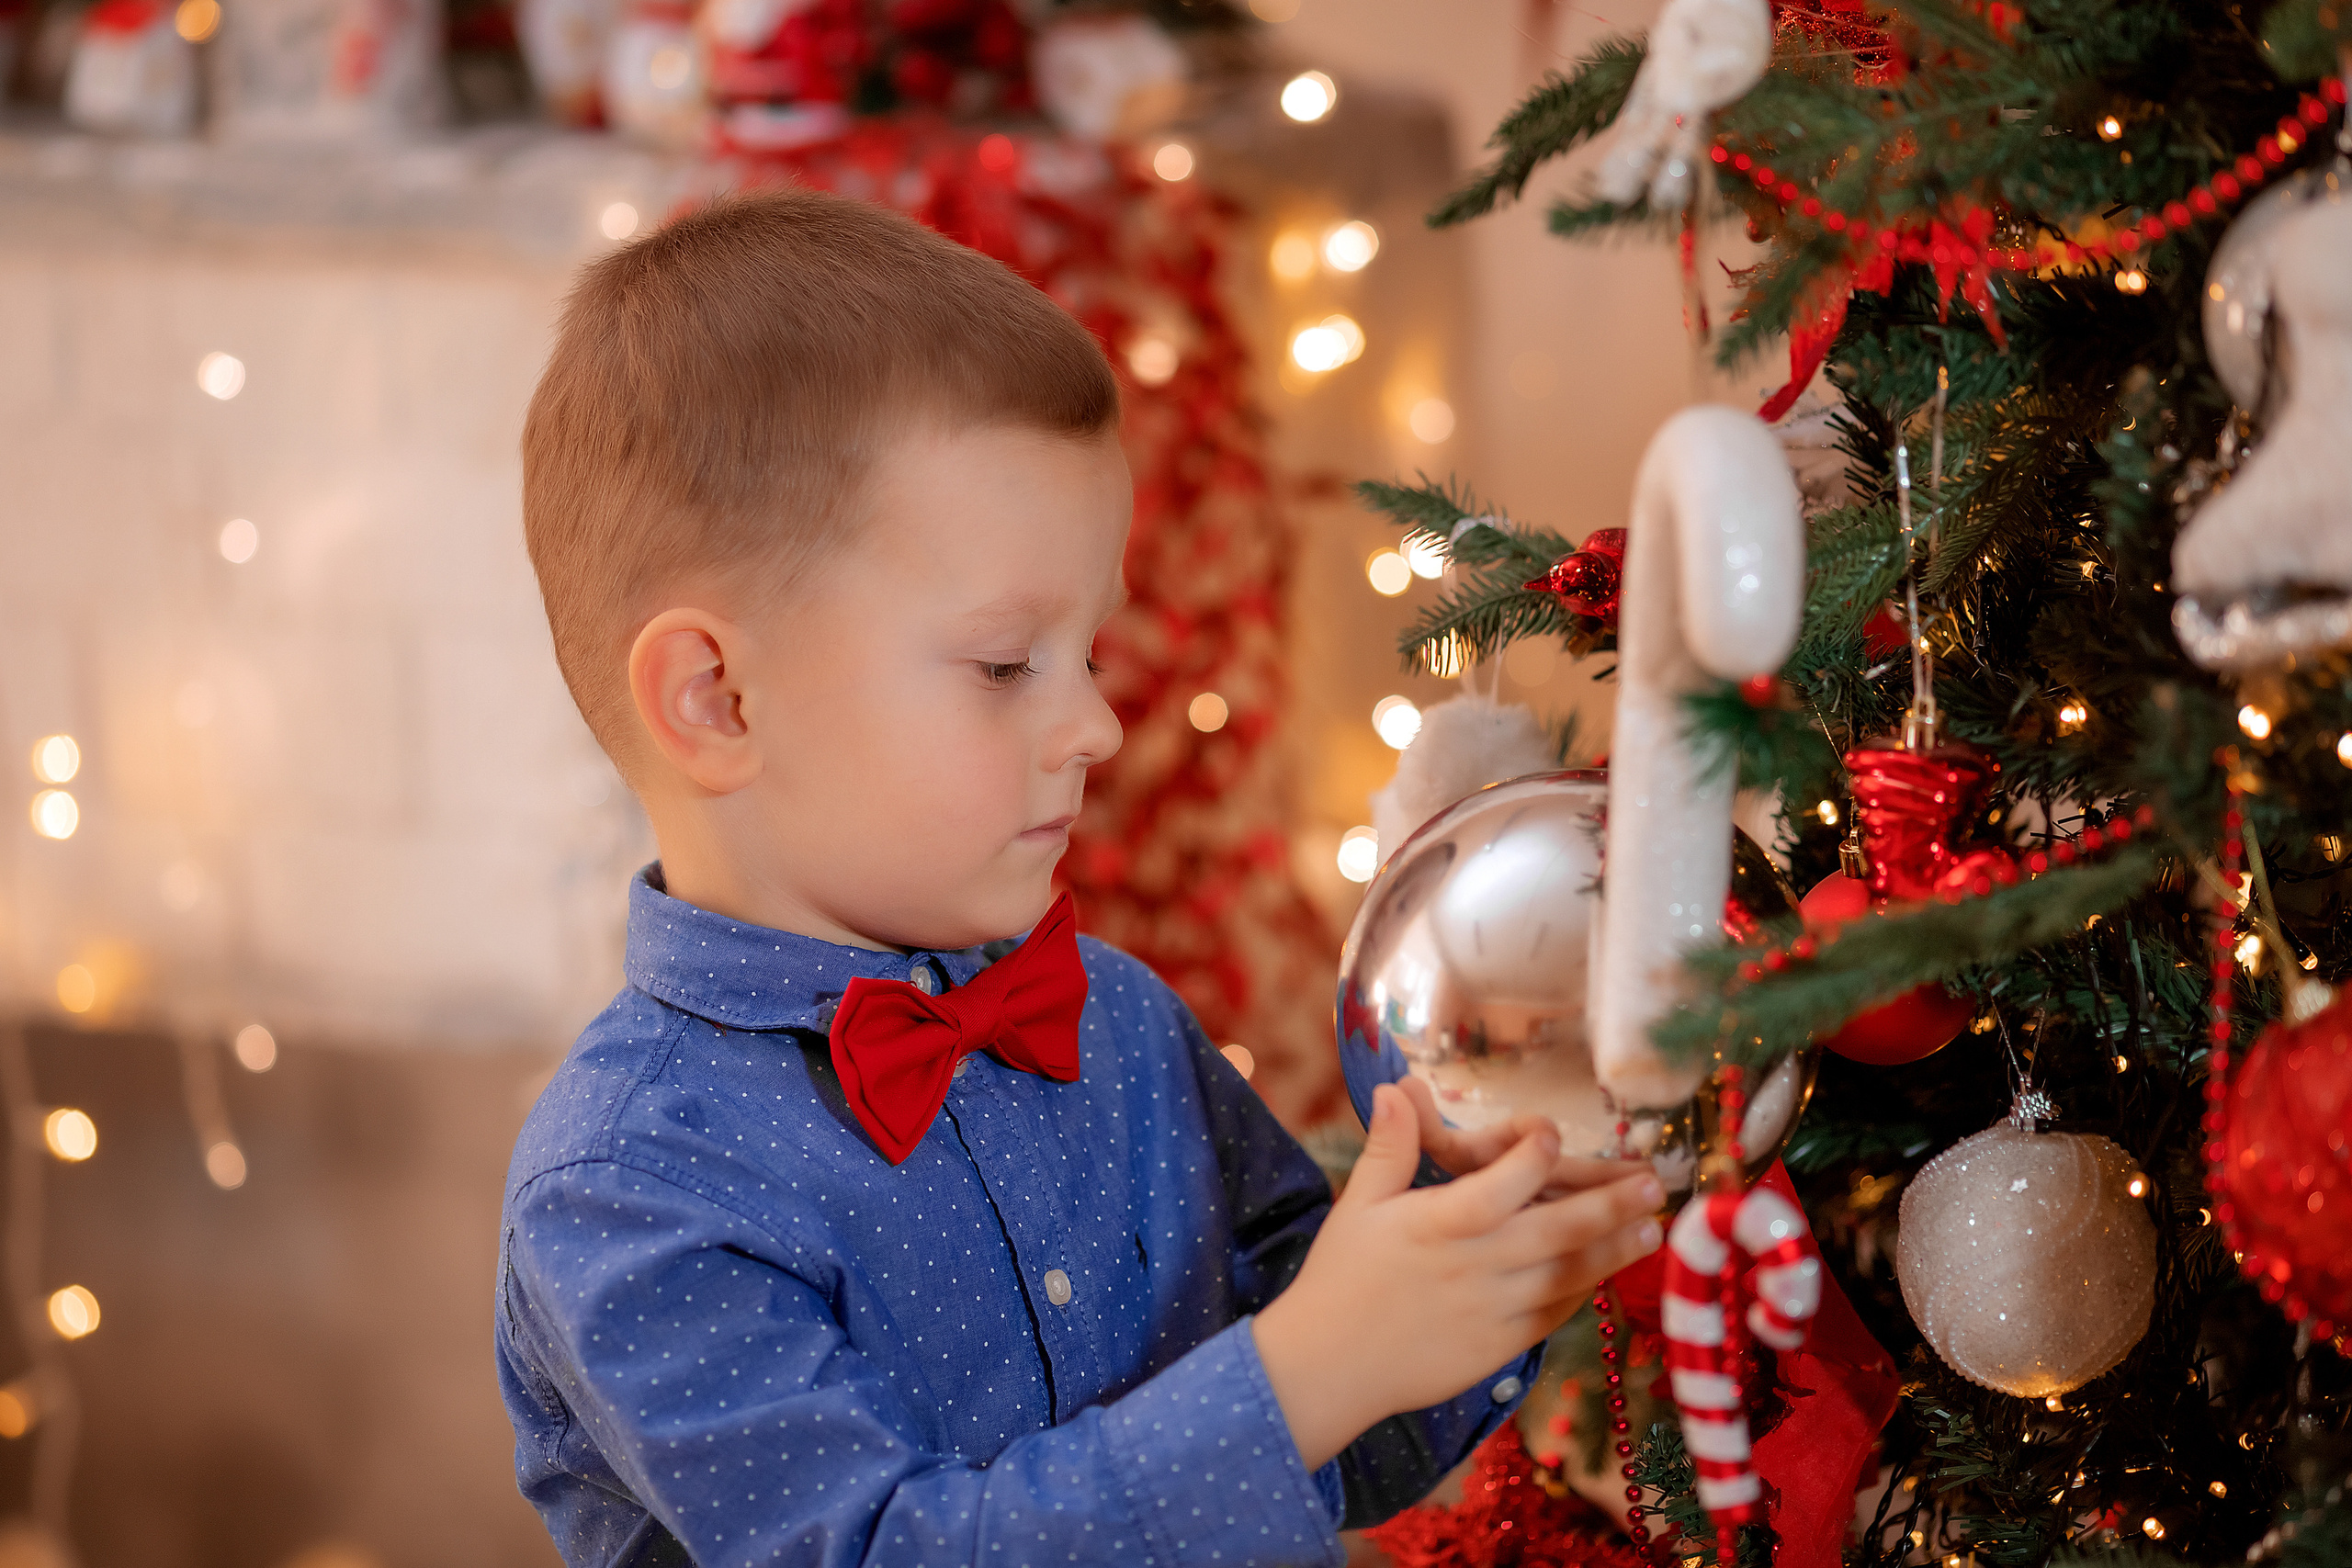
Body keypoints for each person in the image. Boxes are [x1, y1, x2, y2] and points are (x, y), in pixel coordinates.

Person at [496, 186, 1666, 1568]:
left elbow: (1344, 1429)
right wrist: (1308, 1371)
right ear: (718, 700)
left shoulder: (1110, 1017)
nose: (1097, 725)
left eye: (1090, 653)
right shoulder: (630, 1188)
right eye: (1005, 665)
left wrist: (1494, 1231)